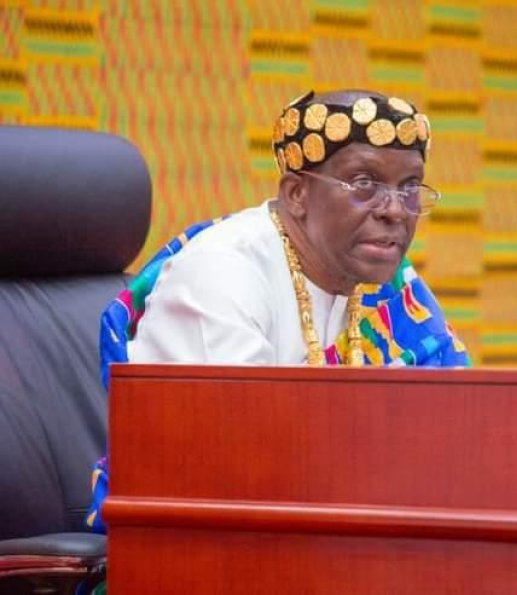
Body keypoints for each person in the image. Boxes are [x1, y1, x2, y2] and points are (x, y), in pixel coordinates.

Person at [86, 89, 470, 532]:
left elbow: (456, 428)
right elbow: (241, 469)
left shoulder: (389, 285)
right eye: (364, 184)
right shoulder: (220, 274)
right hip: (199, 548)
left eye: (409, 188)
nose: (395, 211)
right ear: (297, 194)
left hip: (338, 536)